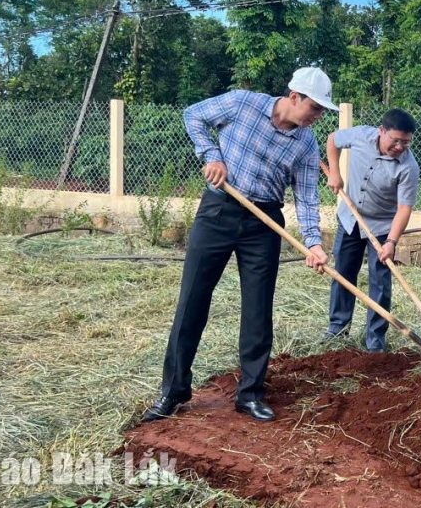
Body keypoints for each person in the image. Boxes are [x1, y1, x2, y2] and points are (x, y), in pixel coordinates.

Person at [142, 67, 335, 424]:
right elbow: (194, 115)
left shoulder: (306, 143)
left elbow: (307, 196)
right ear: (295, 97)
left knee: (258, 309)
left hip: (264, 223)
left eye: (323, 110)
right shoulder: (242, 103)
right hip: (219, 210)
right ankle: (174, 390)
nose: (318, 115)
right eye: (316, 107)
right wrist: (211, 155)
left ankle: (250, 394)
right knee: (193, 300)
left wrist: (313, 242)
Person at [323, 109, 420, 352]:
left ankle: (375, 341)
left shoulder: (408, 167)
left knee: (380, 283)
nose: (399, 146)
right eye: (395, 140)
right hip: (350, 219)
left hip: (382, 227)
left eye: (405, 142)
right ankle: (337, 329)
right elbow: (333, 139)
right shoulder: (360, 136)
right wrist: (335, 172)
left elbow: (404, 209)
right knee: (343, 274)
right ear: (381, 131)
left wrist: (392, 242)